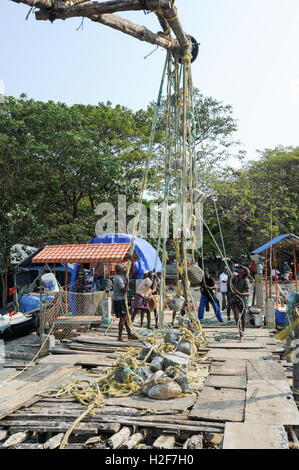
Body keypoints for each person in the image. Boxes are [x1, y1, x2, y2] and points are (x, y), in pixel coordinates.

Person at [112, 264, 138, 342]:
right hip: (119, 300)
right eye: (123, 268)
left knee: (125, 317)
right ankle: (119, 337)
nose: (124, 270)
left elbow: (130, 271)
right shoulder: (118, 279)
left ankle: (129, 334)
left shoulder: (122, 276)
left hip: (122, 299)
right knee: (123, 318)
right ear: (120, 270)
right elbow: (124, 290)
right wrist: (127, 281)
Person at [230, 266, 250, 342]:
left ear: (244, 272)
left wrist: (239, 293)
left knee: (243, 318)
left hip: (242, 300)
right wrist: (230, 278)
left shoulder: (245, 280)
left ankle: (242, 332)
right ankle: (241, 334)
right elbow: (230, 285)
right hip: (235, 299)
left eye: (241, 268)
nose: (239, 269)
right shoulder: (235, 277)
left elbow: (248, 293)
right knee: (236, 317)